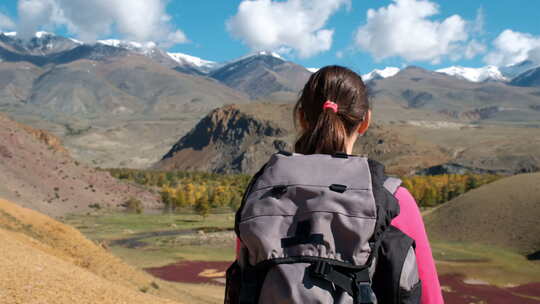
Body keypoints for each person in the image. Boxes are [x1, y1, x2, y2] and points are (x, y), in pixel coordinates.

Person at [234, 65, 443, 304]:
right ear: (365, 121)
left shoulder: (260, 195)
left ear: (302, 117)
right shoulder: (392, 199)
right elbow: (430, 296)